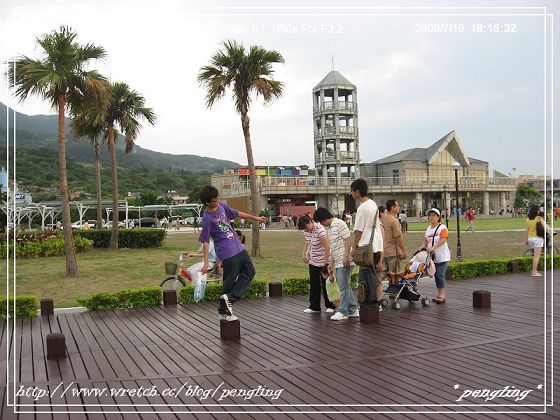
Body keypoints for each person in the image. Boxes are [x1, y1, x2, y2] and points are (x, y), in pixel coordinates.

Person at [198, 186, 267, 321]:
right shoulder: (207, 218)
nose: (217, 201)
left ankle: (228, 299)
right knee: (229, 282)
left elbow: (236, 213)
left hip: (239, 247)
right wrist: (206, 263)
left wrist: (255, 218)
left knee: (250, 272)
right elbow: (205, 241)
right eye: (214, 200)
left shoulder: (222, 206)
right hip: (227, 252)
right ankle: (224, 312)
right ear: (207, 203)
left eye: (217, 198)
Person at [313, 207, 359, 320]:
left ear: (323, 219)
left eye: (321, 222)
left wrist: (346, 256)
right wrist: (331, 263)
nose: (321, 225)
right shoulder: (330, 229)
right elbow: (333, 248)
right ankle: (353, 309)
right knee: (345, 285)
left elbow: (348, 239)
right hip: (338, 260)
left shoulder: (339, 224)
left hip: (344, 260)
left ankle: (343, 311)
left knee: (343, 287)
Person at [351, 178, 384, 309]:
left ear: (357, 191)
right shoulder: (373, 204)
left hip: (367, 247)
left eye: (352, 191)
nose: (351, 193)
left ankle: (373, 303)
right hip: (376, 244)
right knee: (373, 275)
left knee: (369, 276)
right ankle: (376, 302)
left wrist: (354, 247)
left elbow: (358, 231)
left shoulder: (362, 208)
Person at [297, 214, 336, 314]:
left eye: (306, 227)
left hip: (323, 260)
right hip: (313, 261)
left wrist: (325, 264)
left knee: (327, 284)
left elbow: (327, 247)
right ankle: (314, 307)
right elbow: (307, 241)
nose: (306, 230)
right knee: (314, 284)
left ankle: (331, 305)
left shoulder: (320, 230)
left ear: (310, 222)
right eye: (304, 229)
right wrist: (304, 254)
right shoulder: (306, 230)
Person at [419, 208, 450, 304]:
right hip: (432, 257)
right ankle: (439, 294)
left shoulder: (442, 227)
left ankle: (442, 295)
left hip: (442, 256)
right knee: (436, 275)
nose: (431, 217)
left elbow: (443, 239)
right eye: (430, 215)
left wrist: (433, 248)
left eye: (434, 215)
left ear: (438, 217)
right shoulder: (428, 229)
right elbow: (426, 241)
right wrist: (422, 247)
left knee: (440, 275)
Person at [382, 200, 407, 281]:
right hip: (393, 251)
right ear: (392, 207)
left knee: (385, 273)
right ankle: (374, 285)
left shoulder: (383, 219)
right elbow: (397, 237)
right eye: (397, 206)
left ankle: (373, 285)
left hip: (384, 251)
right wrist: (403, 251)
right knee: (395, 275)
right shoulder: (393, 220)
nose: (399, 207)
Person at [525, 204, 545, 277]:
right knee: (536, 257)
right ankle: (534, 272)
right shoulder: (539, 218)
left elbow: (527, 230)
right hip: (537, 239)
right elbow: (545, 227)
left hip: (530, 238)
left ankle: (534, 270)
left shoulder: (528, 220)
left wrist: (526, 240)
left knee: (536, 255)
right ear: (536, 211)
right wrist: (551, 234)